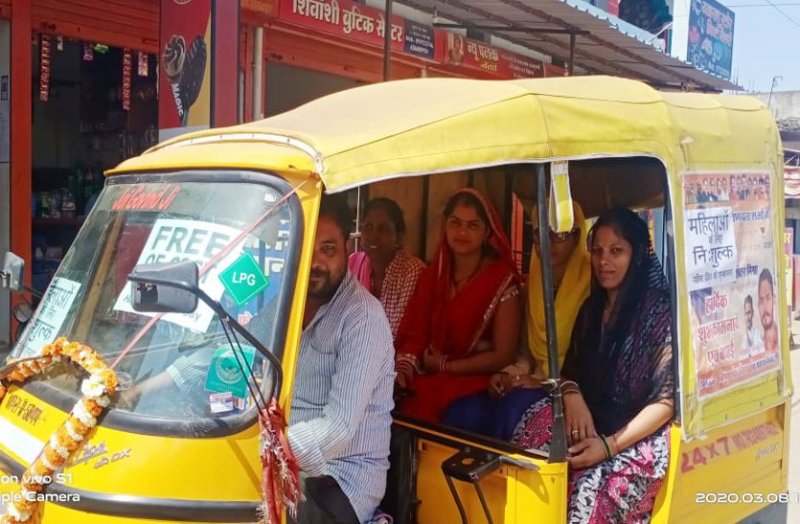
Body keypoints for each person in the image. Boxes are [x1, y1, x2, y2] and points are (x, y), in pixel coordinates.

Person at [123, 196, 395, 524]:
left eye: (328, 249)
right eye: (308, 249)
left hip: (340, 479)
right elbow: (233, 352)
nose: (315, 263)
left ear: (348, 250)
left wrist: (264, 451)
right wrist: (139, 392)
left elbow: (338, 427)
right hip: (280, 459)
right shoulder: (289, 305)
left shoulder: (363, 317)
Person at [512, 207, 674, 523]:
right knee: (531, 449)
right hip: (592, 421)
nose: (604, 262)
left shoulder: (658, 312)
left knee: (588, 491)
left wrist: (608, 447)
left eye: (616, 251)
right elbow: (570, 373)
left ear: (638, 254)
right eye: (597, 251)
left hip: (637, 435)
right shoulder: (592, 308)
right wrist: (572, 396)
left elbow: (665, 403)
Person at [443, 202, 591, 440]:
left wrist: (543, 383)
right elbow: (526, 352)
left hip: (574, 393)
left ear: (577, 236)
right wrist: (508, 376)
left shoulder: (592, 287)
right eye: (540, 233)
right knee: (460, 411)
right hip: (534, 381)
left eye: (559, 234)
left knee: (511, 408)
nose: (547, 241)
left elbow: (587, 366)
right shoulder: (534, 285)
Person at [394, 188, 521, 424]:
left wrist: (447, 365)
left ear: (487, 233)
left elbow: (504, 355)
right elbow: (416, 333)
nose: (462, 232)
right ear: (445, 226)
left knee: (458, 414)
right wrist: (404, 368)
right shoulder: (434, 274)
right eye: (455, 223)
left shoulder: (501, 279)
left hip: (477, 380)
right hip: (431, 377)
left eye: (473, 225)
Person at [348, 198, 425, 339]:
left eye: (383, 229)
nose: (374, 236)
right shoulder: (352, 264)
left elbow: (396, 332)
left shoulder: (411, 270)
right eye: (368, 227)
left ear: (399, 237)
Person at [758, 269, 779, 354]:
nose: (765, 306)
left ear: (774, 299)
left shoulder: (781, 339)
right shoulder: (758, 346)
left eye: (768, 298)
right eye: (761, 300)